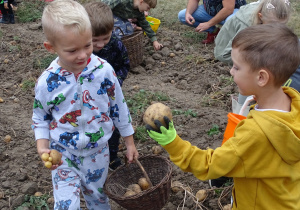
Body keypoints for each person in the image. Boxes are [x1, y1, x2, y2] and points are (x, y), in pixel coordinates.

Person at [147, 23, 300, 209]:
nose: (231, 71)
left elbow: (209, 165)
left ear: (261, 78)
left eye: (236, 67)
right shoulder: (293, 103)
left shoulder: (255, 134)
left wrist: (173, 143)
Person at [32, 0, 139, 209]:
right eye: (72, 50)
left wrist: (129, 141)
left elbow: (119, 107)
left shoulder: (104, 71)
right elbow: (40, 116)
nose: (83, 55)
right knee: (66, 205)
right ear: (50, 47)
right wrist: (42, 145)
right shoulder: (47, 82)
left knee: (98, 201)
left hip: (98, 152)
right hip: (63, 154)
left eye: (88, 45)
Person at [84, 1, 130, 170]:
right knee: (90, 122)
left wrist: (115, 83)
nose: (101, 44)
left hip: (109, 96)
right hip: (87, 97)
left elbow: (124, 64)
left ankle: (112, 156)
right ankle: (90, 153)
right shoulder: (81, 50)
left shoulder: (116, 45)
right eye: (95, 40)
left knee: (113, 124)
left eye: (106, 38)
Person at [214, 0, 291, 64]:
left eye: (281, 25)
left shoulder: (268, 10)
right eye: (271, 25)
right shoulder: (246, 27)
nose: (276, 28)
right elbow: (226, 55)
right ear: (260, 16)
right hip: (225, 52)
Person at [178, 0, 247, 44]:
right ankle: (214, 31)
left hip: (234, 11)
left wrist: (208, 24)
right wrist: (188, 13)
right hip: (211, 10)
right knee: (183, 16)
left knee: (231, 21)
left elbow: (228, 9)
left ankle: (233, 41)